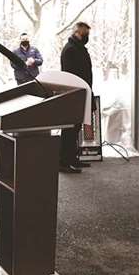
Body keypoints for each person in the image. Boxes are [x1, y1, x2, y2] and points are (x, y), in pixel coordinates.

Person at [59, 22, 96, 173]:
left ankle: (72, 158)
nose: (87, 37)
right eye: (85, 33)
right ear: (78, 33)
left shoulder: (79, 48)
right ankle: (63, 162)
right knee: (69, 129)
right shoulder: (70, 50)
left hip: (83, 91)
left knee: (76, 128)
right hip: (75, 93)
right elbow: (71, 75)